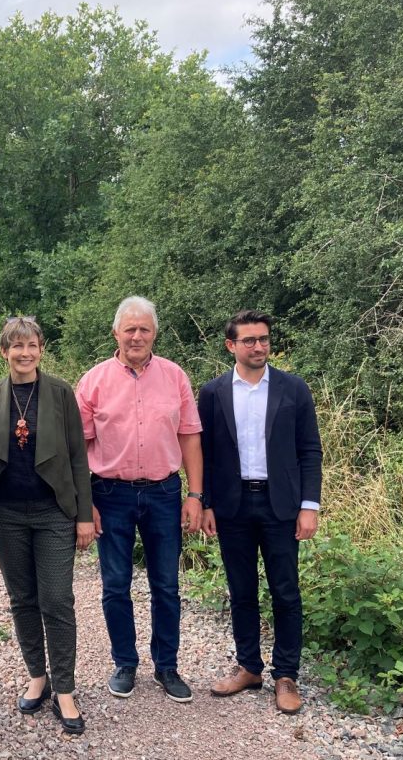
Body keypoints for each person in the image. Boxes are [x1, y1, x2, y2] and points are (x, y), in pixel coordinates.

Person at [75, 295, 205, 703]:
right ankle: (124, 662)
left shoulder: (174, 377)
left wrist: (195, 494)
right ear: (116, 332)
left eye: (144, 329)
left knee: (166, 584)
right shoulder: (93, 380)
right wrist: (85, 503)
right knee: (115, 584)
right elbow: (77, 448)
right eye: (129, 328)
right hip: (109, 493)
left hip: (165, 492)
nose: (136, 336)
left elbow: (189, 436)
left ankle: (167, 666)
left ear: (155, 333)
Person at [198, 310, 322, 714]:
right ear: (231, 345)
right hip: (233, 506)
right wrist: (206, 502)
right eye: (249, 340)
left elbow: (309, 450)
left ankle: (286, 675)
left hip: (281, 504)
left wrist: (309, 505)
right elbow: (207, 453)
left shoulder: (293, 388)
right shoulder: (213, 392)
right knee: (242, 589)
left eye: (264, 339)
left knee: (286, 590)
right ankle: (249, 666)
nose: (258, 347)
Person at [0, 316, 94, 735]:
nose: (24, 353)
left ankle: (65, 687)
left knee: (57, 600)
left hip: (53, 513)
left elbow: (79, 457)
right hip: (6, 513)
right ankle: (37, 676)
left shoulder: (61, 392)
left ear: (41, 349)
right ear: (3, 351)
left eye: (31, 345)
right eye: (16, 346)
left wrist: (84, 514)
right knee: (22, 598)